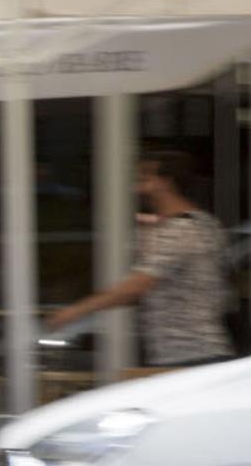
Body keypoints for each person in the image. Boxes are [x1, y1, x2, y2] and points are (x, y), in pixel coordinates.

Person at [46, 149, 234, 367]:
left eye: (144, 178)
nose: (136, 185)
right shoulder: (204, 223)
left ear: (165, 182)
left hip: (189, 354)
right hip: (192, 351)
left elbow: (137, 286)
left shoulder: (180, 229)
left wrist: (75, 311)